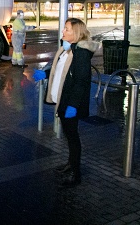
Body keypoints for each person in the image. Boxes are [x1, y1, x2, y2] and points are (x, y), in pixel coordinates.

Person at [34, 17, 99, 187]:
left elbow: (81, 81)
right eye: (64, 29)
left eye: (67, 29)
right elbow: (60, 71)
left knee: (72, 137)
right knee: (69, 136)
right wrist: (46, 74)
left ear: (76, 33)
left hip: (70, 102)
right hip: (63, 100)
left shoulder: (81, 54)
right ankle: (71, 164)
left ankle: (76, 175)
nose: (63, 32)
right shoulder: (67, 49)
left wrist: (73, 105)